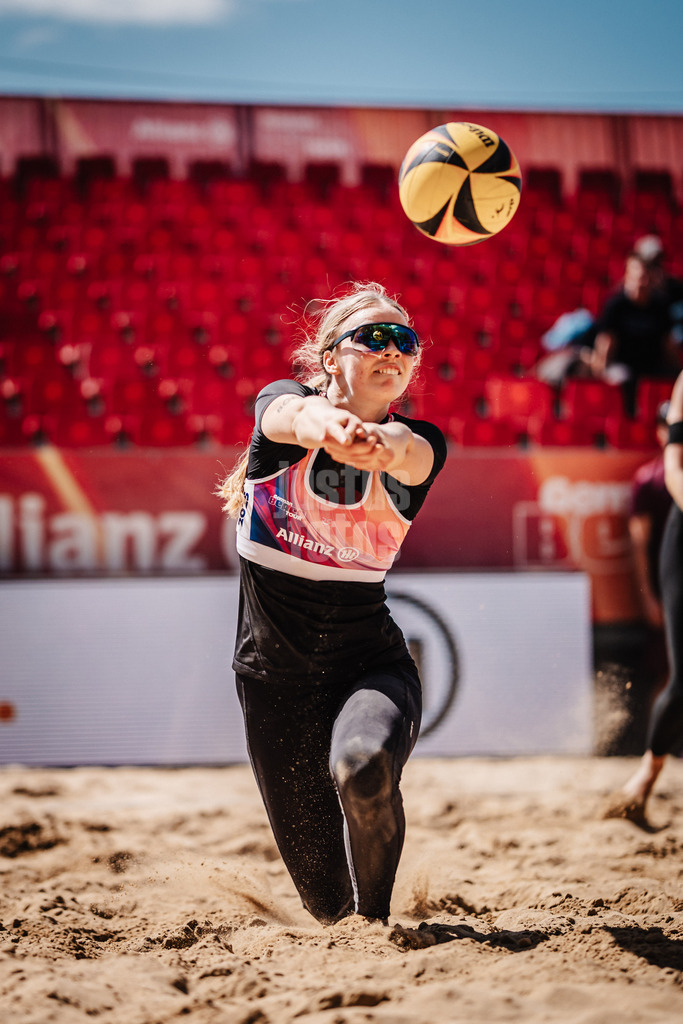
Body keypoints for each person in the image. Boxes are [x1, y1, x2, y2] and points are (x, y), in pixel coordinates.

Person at [217, 281, 447, 924]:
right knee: (324, 906)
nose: (392, 350)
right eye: (373, 337)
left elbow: (410, 454)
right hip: (273, 683)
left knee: (364, 768)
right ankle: (350, 924)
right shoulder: (284, 408)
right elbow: (294, 418)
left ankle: (377, 933)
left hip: (369, 666)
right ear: (328, 358)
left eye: (405, 341)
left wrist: (379, 445)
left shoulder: (419, 441)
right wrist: (335, 427)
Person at [604, 371, 683, 823]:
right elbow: (639, 543)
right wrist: (650, 595)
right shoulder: (650, 479)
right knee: (673, 675)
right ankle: (645, 779)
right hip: (673, 572)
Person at [589, 250, 679, 415]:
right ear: (628, 277)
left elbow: (668, 343)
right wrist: (601, 367)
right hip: (623, 365)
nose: (642, 282)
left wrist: (678, 370)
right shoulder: (616, 304)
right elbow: (607, 341)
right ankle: (628, 419)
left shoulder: (661, 304)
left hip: (652, 364)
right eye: (638, 277)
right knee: (623, 378)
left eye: (646, 277)